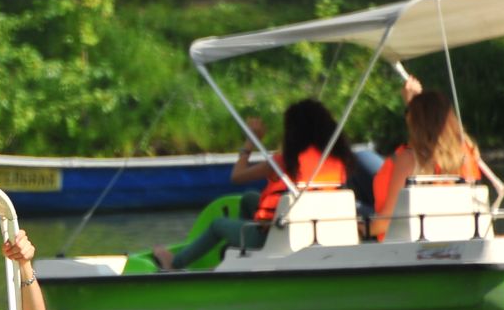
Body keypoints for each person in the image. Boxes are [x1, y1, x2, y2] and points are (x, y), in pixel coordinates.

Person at [154, 98, 361, 270]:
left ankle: (175, 263)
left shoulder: (285, 161)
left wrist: (250, 144)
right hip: (317, 230)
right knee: (249, 199)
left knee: (217, 225)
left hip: (277, 235)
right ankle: (243, 257)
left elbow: (237, 176)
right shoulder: (338, 161)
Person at [369, 77, 485, 239]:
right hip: (460, 241)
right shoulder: (468, 153)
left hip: (408, 251)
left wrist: (360, 228)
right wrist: (414, 102)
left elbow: (389, 220)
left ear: (415, 123)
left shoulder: (409, 159)